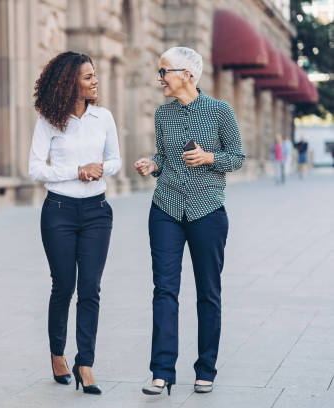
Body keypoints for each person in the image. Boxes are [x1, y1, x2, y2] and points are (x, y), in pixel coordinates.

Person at [134, 47, 244, 396]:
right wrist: (152, 165)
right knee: (164, 290)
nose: (159, 78)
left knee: (208, 292)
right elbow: (164, 158)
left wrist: (210, 156)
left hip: (207, 211)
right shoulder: (162, 115)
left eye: (164, 71)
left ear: (187, 75)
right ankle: (161, 371)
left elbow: (238, 157)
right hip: (165, 209)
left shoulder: (220, 111)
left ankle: (205, 368)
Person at [29, 51, 121, 395]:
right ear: (70, 82)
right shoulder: (49, 120)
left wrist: (100, 168)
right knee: (64, 285)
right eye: (87, 76)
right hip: (59, 212)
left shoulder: (103, 117)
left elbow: (115, 159)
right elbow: (35, 168)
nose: (95, 81)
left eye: (94, 75)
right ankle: (57, 355)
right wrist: (76, 170)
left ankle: (86, 363)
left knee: (91, 289)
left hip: (97, 212)